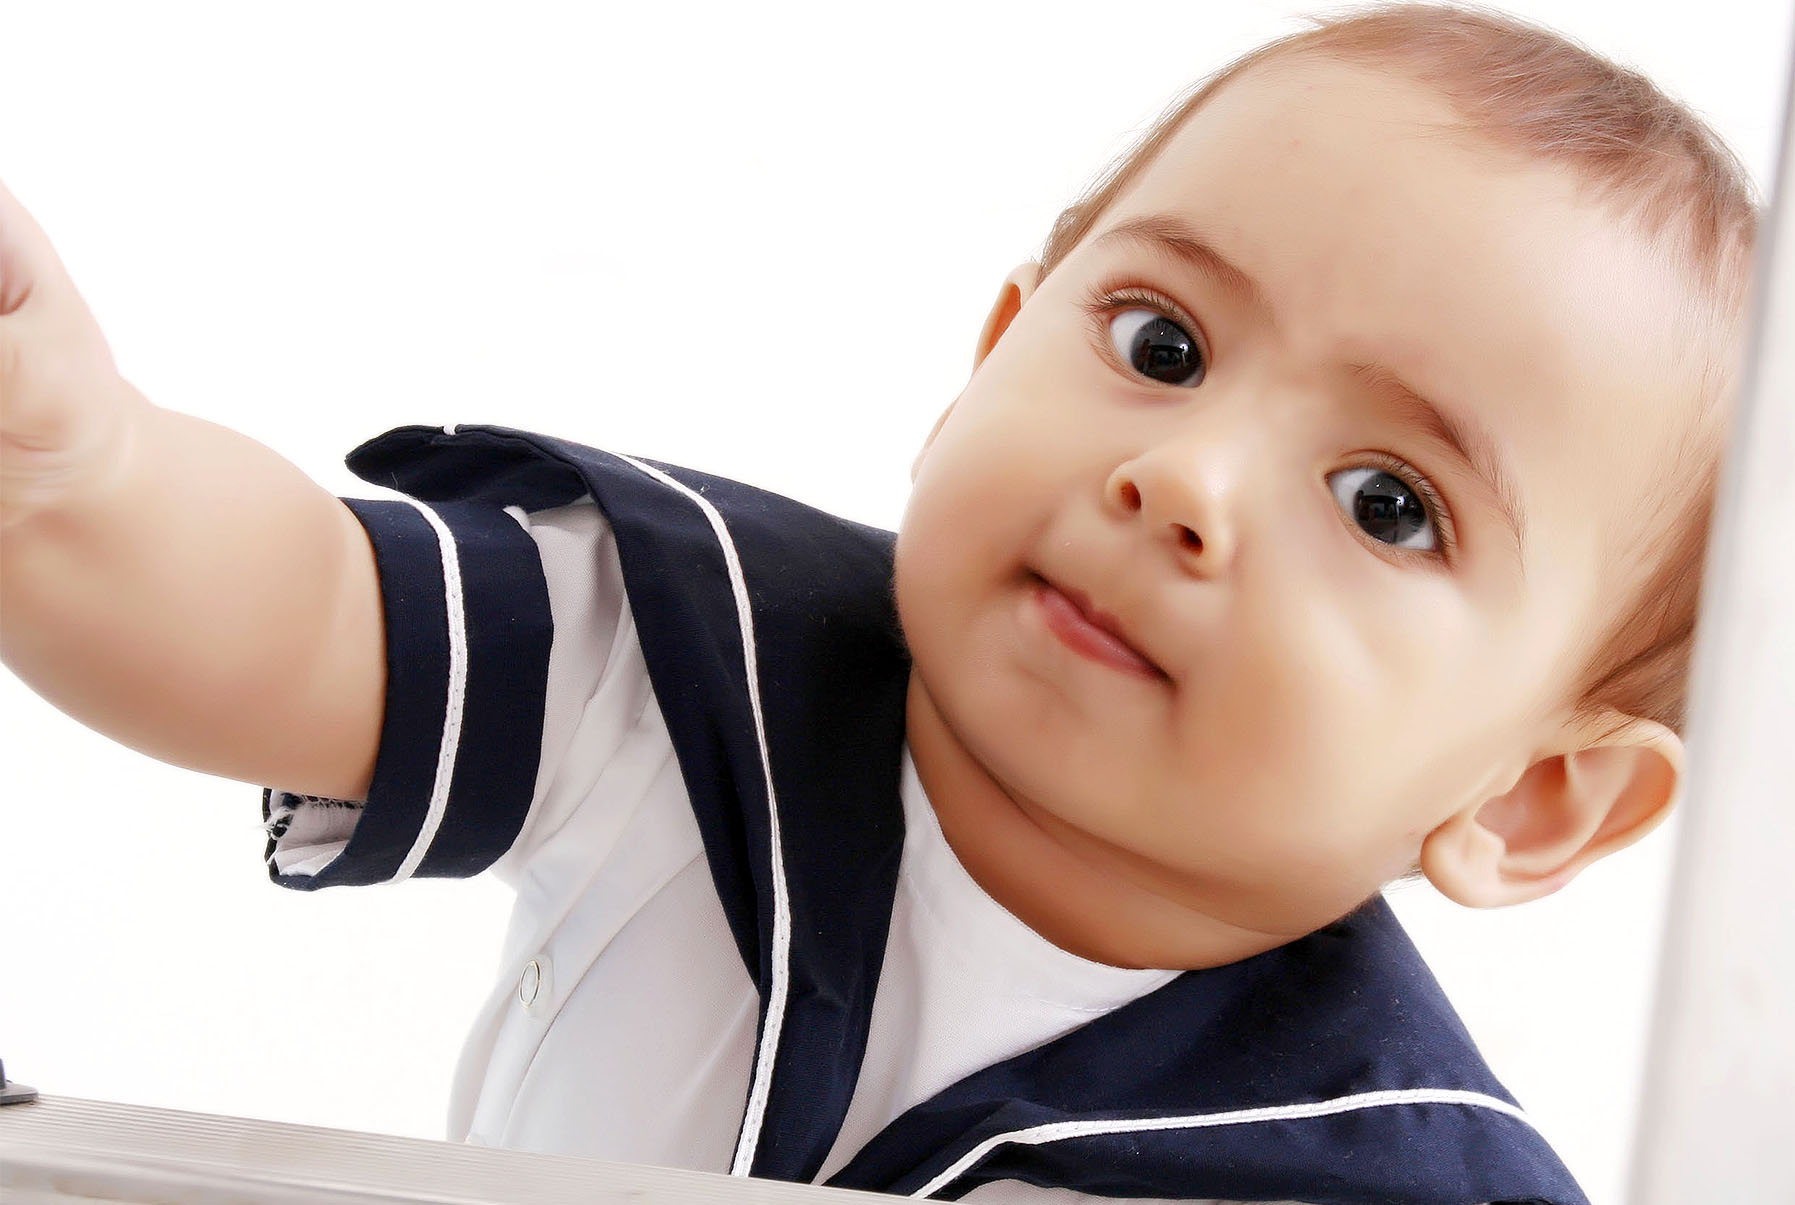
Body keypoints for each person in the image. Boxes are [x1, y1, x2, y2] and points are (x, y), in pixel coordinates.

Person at [0, 5, 1759, 1202]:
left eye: (1388, 504)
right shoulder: (680, 655)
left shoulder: (1387, 1172)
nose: (1188, 480)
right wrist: (72, 467)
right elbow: (288, 613)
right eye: (1163, 344)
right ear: (992, 356)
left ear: (1536, 796)